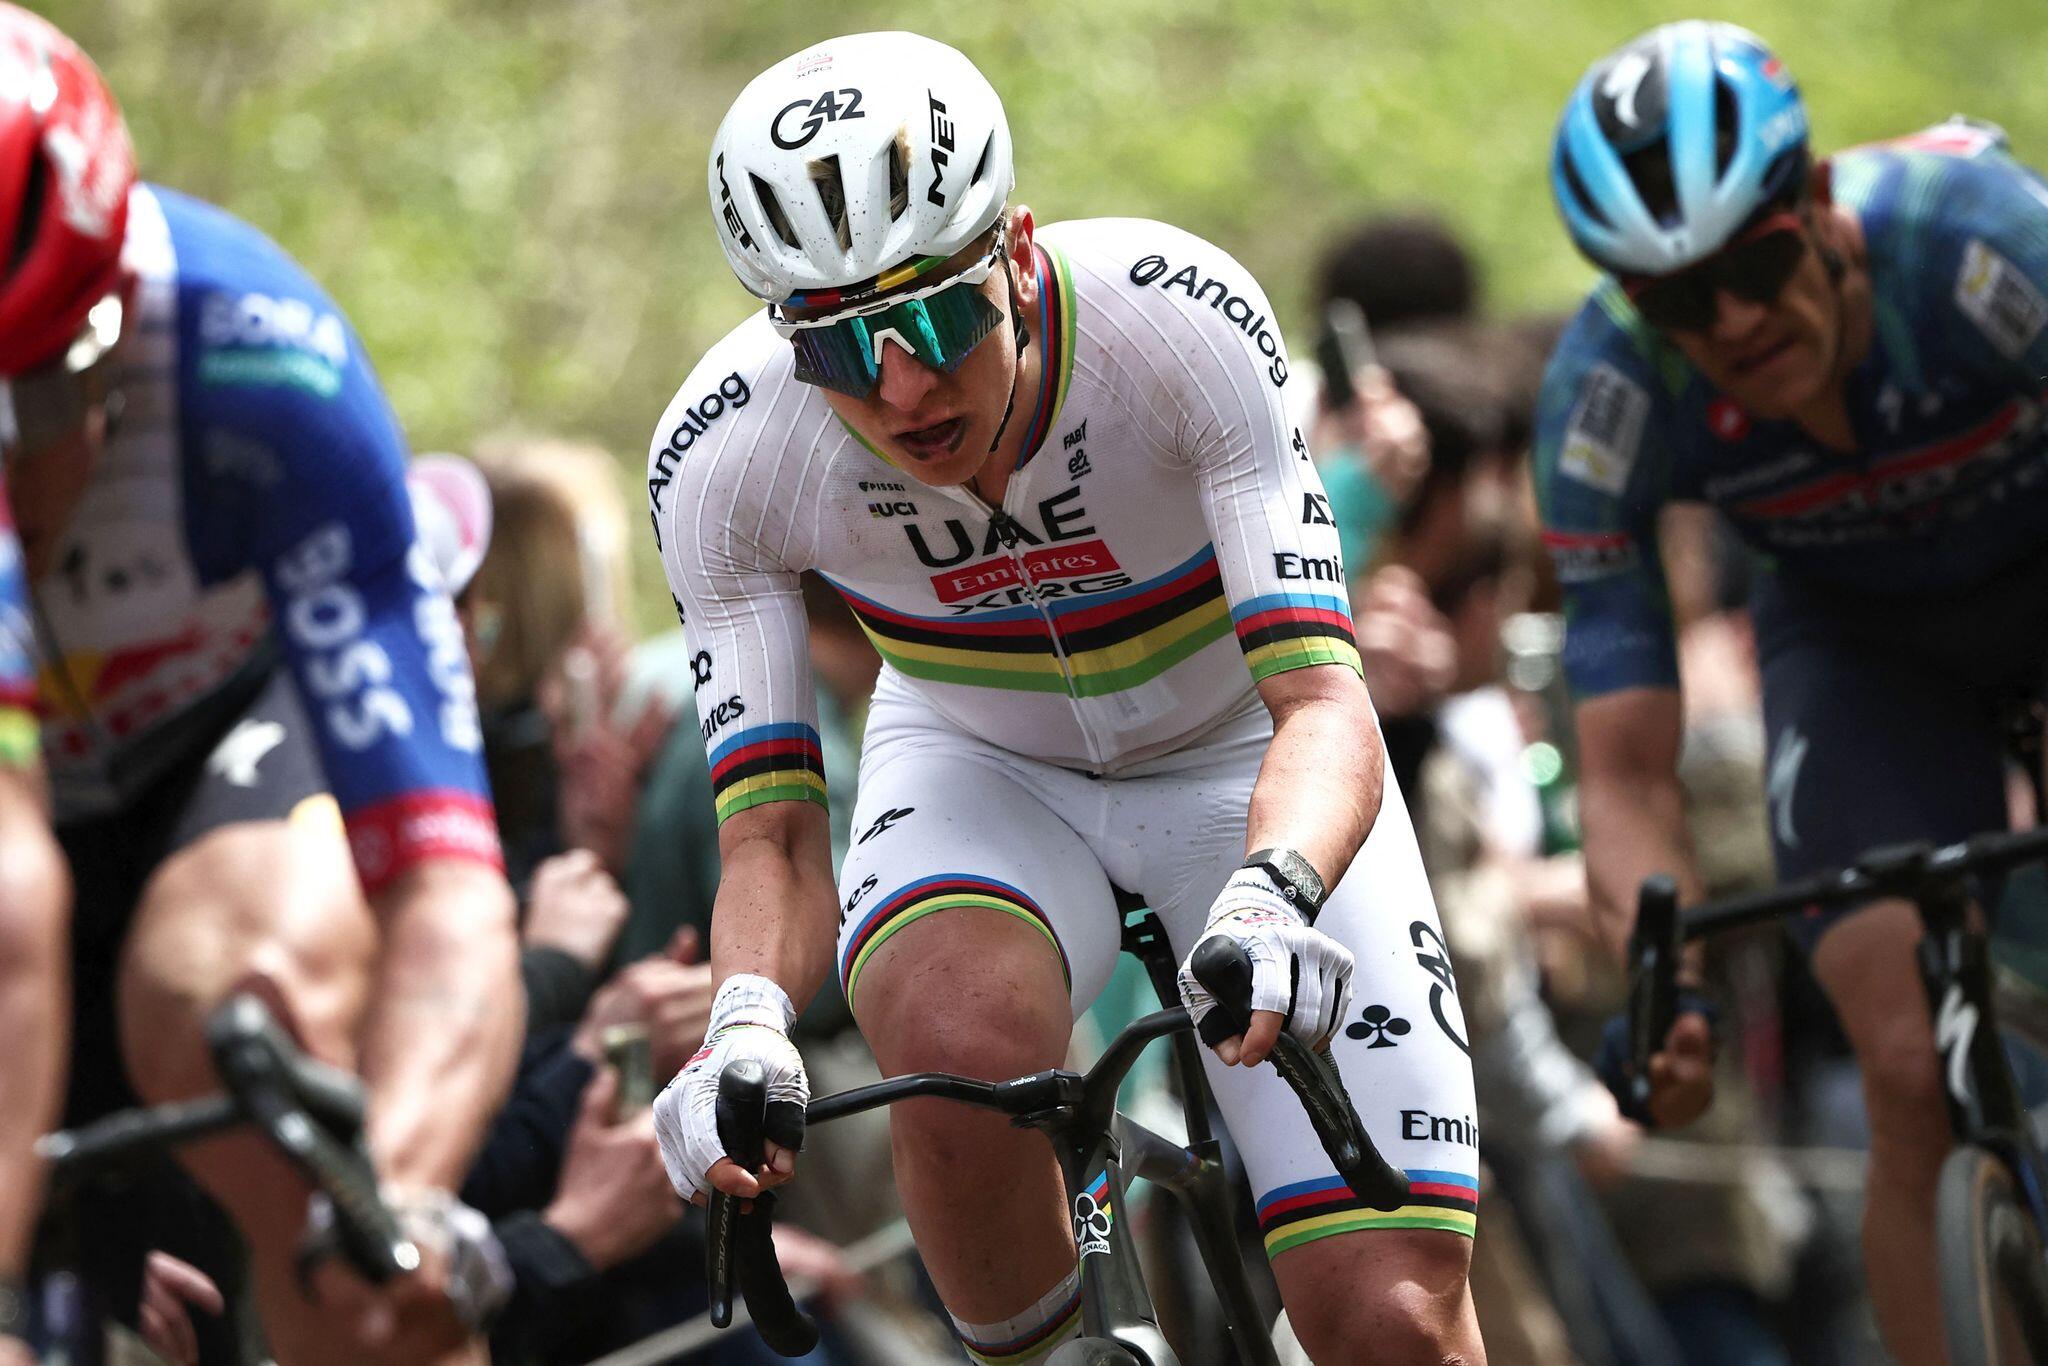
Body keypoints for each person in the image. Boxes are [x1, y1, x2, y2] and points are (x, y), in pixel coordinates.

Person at [647, 32, 1483, 1365]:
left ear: (1019, 254)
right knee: (949, 1038)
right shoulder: (723, 458)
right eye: (842, 349)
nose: (902, 385)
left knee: (1393, 1321)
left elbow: (1322, 703)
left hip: (1243, 752)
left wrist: (1274, 889)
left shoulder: (1176, 322)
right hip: (983, 761)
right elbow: (775, 838)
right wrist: (740, 1021)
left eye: (933, 317)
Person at [0, 9, 521, 1362]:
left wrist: (388, 1202)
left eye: (33, 406)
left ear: (109, 325)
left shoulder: (260, 359)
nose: (13, 478)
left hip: (214, 768)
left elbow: (448, 891)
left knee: (245, 999)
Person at [1537, 19, 2048, 1364]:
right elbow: (1624, 768)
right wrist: (1670, 985)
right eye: (1679, 301)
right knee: (1904, 1063)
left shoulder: (1979, 242)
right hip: (1860, 643)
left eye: (1757, 266)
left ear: (1818, 202)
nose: (1733, 322)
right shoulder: (1607, 393)